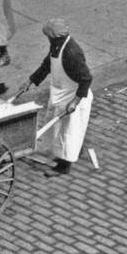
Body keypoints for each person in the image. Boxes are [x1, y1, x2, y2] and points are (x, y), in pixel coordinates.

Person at [15, 19, 93, 175]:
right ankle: (68, 153)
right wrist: (30, 81)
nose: (47, 39)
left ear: (54, 36)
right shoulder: (57, 45)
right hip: (60, 93)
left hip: (73, 96)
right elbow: (47, 65)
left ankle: (64, 167)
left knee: (69, 131)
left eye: (48, 36)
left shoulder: (71, 53)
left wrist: (75, 102)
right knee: (59, 130)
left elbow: (86, 79)